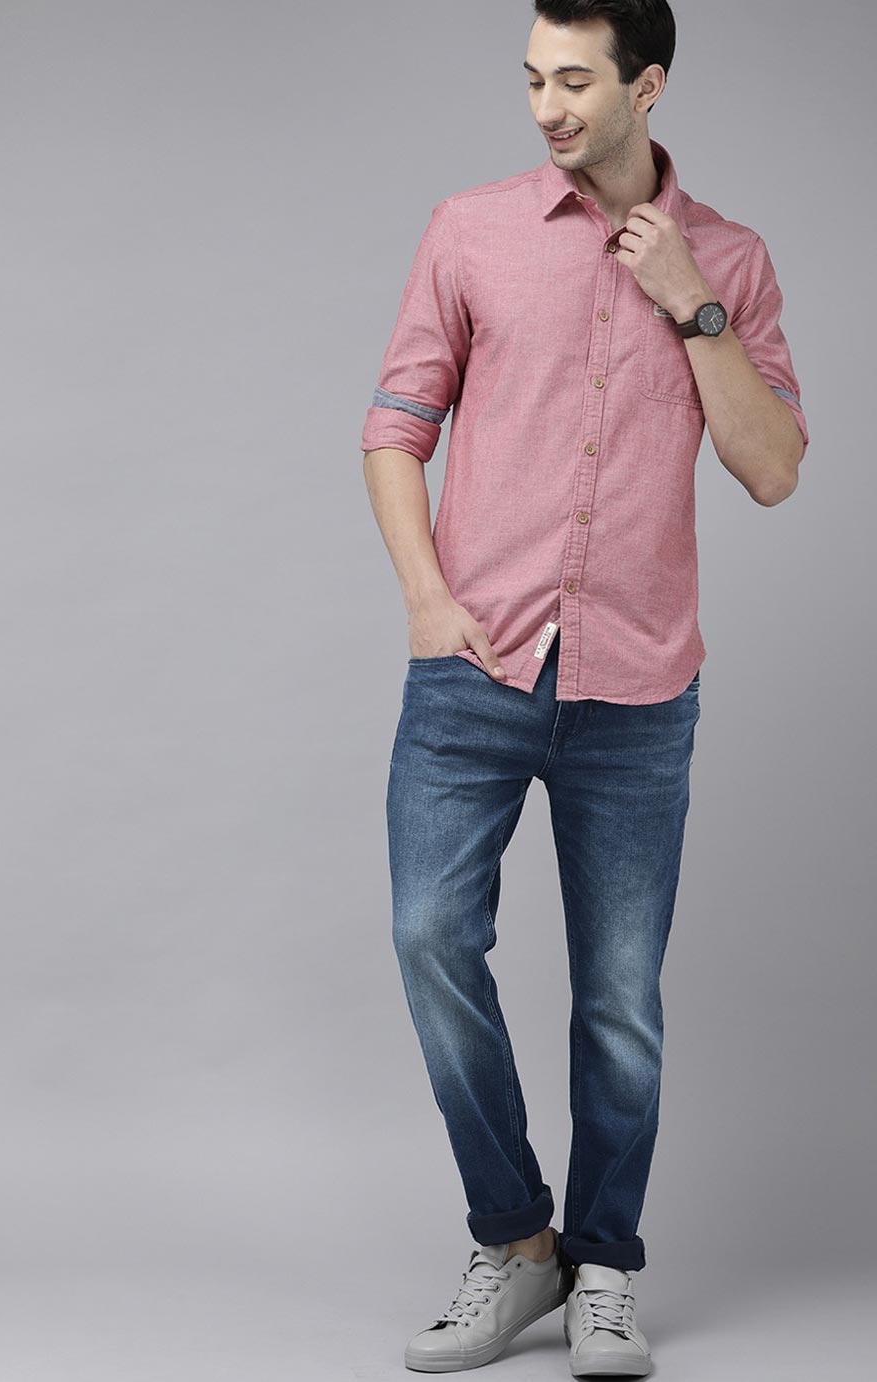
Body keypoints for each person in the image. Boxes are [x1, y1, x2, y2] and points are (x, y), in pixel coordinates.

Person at [360, 2, 808, 1376]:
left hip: (639, 685)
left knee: (620, 998)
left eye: (574, 80)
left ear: (647, 85)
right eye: (533, 79)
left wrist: (692, 302)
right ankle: (518, 1241)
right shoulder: (471, 230)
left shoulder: (731, 258)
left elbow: (773, 467)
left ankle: (605, 1264)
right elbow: (395, 426)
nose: (548, 107)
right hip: (476, 669)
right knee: (431, 937)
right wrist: (428, 602)